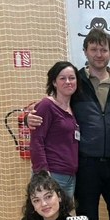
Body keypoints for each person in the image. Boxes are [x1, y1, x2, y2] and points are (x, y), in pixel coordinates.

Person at [26, 29, 110, 220]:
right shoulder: (76, 82)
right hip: (84, 164)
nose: (99, 54)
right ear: (85, 51)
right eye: (94, 49)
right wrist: (29, 116)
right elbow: (54, 106)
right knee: (86, 219)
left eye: (103, 50)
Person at [30, 61, 80, 199]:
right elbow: (36, 140)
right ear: (54, 82)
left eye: (72, 78)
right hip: (52, 174)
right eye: (62, 78)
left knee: (64, 212)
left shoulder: (72, 108)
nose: (68, 82)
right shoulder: (46, 105)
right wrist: (43, 173)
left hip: (70, 176)